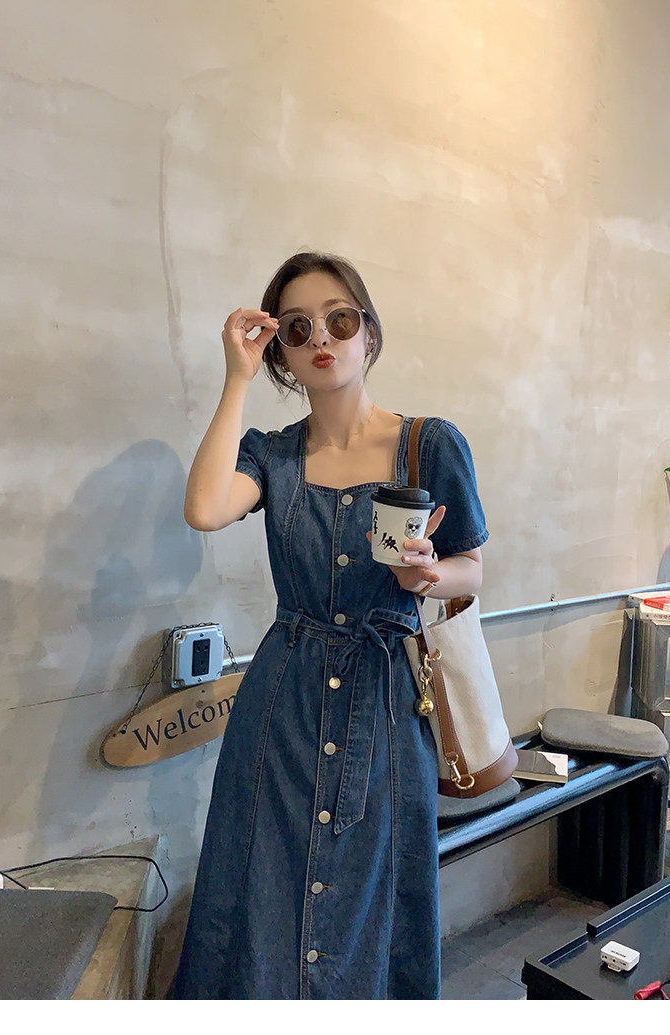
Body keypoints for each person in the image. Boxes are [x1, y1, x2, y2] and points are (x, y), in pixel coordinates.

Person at [173, 251, 489, 999]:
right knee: (263, 887)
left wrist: (428, 576)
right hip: (281, 707)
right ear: (281, 352)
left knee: (371, 898)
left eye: (339, 319)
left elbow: (472, 567)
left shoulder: (429, 444)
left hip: (386, 703)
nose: (321, 336)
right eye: (297, 327)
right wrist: (237, 378)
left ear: (368, 333)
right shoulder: (272, 455)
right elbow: (205, 508)